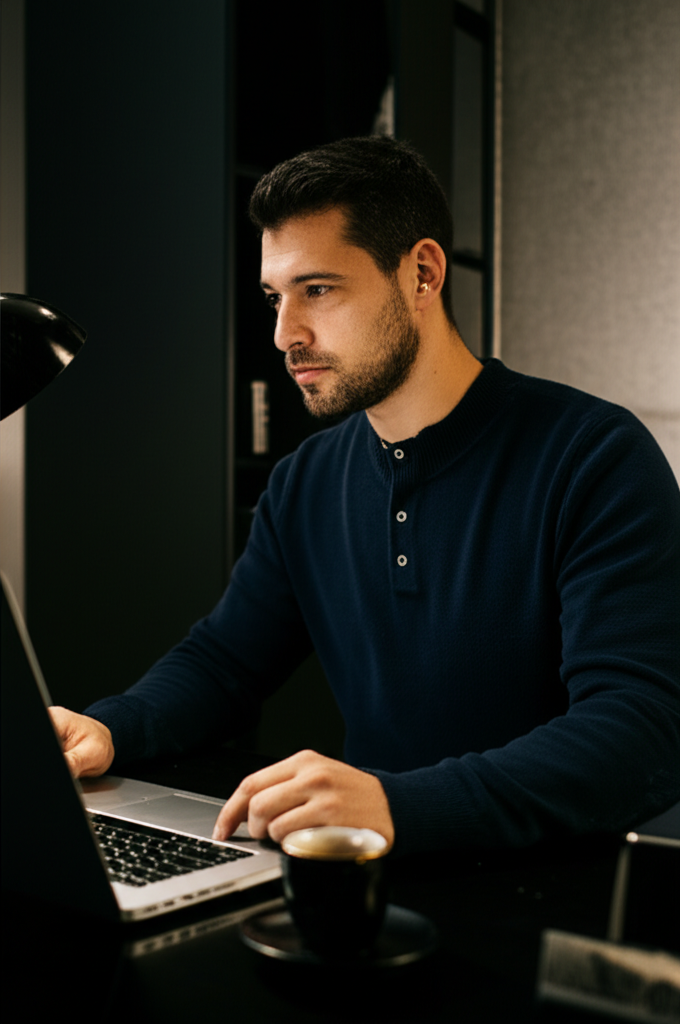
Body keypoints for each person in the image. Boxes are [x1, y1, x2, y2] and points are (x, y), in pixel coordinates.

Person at [50, 136, 680, 856]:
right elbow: (223, 664)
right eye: (274, 297)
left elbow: (642, 729)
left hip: (548, 901)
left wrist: (395, 803)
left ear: (422, 273)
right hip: (360, 886)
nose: (286, 333)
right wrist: (111, 728)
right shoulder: (305, 481)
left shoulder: (592, 456)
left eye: (318, 289)